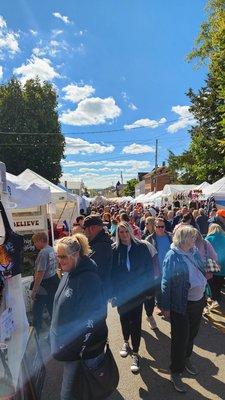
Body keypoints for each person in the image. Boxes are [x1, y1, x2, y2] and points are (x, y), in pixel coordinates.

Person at [50, 234, 108, 400]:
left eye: (63, 257)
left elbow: (94, 318)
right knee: (79, 390)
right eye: (57, 256)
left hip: (82, 351)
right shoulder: (69, 270)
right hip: (71, 348)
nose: (59, 261)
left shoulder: (88, 279)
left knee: (73, 393)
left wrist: (79, 349)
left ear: (75, 255)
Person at [161, 226, 207, 393]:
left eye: (194, 237)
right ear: (183, 239)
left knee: (192, 334)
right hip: (181, 305)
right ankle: (175, 371)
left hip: (198, 301)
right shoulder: (172, 256)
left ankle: (186, 358)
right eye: (192, 237)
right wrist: (165, 306)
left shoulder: (193, 251)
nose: (194, 240)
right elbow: (166, 283)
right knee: (180, 339)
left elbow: (199, 270)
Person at [111, 222, 154, 373]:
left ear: (130, 231)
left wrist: (150, 291)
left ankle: (135, 353)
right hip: (122, 293)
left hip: (137, 292)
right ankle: (125, 342)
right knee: (124, 319)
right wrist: (112, 294)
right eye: (120, 232)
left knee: (136, 322)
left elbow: (149, 270)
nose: (123, 234)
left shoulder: (141, 247)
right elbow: (112, 274)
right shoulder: (115, 249)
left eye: (125, 231)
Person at [31, 232, 59, 337]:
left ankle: (36, 334)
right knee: (52, 309)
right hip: (53, 281)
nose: (34, 245)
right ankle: (55, 333)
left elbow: (40, 273)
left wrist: (34, 290)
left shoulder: (43, 253)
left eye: (35, 242)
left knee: (37, 311)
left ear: (41, 240)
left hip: (44, 285)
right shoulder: (52, 249)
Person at [83, 214, 113, 300]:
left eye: (84, 229)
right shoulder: (99, 243)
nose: (83, 232)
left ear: (91, 229)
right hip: (99, 291)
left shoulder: (100, 246)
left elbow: (91, 269)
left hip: (96, 292)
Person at [146, 217, 172, 312]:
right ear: (154, 226)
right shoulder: (149, 239)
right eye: (158, 226)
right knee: (158, 288)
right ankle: (159, 305)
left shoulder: (171, 236)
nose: (161, 228)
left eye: (162, 226)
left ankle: (167, 305)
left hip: (170, 267)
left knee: (168, 287)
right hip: (156, 268)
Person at [206, 223, 225, 307]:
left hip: (211, 264)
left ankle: (212, 298)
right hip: (223, 264)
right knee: (219, 282)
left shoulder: (208, 238)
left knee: (211, 282)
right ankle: (217, 297)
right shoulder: (224, 238)